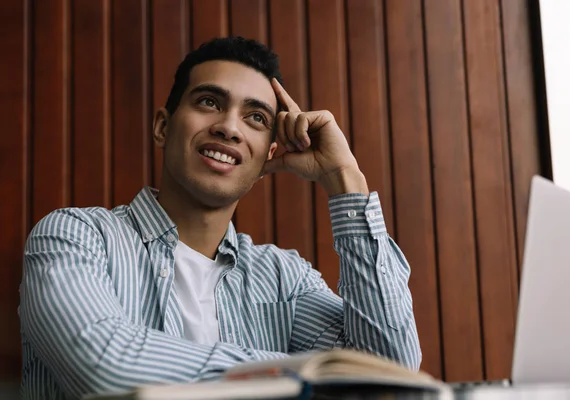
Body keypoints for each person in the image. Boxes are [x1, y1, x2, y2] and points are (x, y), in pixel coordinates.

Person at [19, 36, 421, 399]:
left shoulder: (284, 278)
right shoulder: (74, 236)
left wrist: (345, 180)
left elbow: (390, 374)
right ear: (163, 127)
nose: (229, 128)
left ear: (269, 153)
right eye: (209, 102)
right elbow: (105, 366)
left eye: (256, 118)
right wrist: (294, 374)